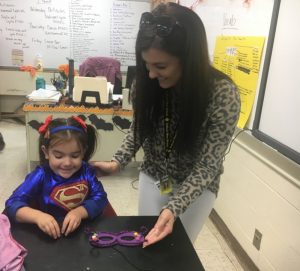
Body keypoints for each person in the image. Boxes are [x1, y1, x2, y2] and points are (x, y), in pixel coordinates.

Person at [91, 3, 240, 248]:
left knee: (177, 249)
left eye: (160, 66)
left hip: (197, 185)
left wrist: (173, 209)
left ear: (188, 60)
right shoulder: (146, 83)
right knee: (145, 243)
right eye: (146, 65)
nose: (150, 74)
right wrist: (117, 162)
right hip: (155, 175)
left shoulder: (223, 95)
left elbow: (208, 164)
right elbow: (140, 128)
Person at [5, 115, 109, 239]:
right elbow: (12, 204)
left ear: (83, 152)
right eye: (59, 156)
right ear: (46, 152)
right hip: (50, 235)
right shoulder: (41, 175)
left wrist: (80, 212)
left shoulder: (86, 171)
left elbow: (101, 198)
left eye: (75, 156)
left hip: (83, 233)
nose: (67, 163)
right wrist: (38, 216)